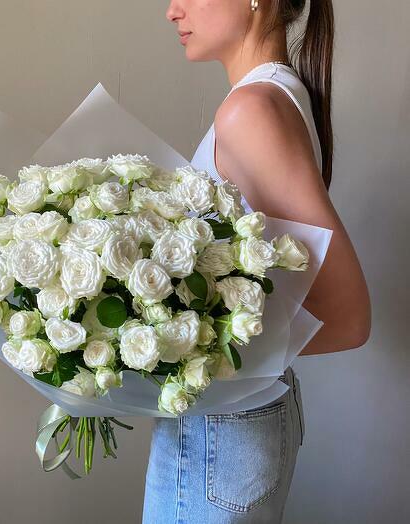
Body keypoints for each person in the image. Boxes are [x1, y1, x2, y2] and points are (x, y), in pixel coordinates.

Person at [142, 1, 372, 523]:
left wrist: (171, 347)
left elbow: (348, 319)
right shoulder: (273, 96)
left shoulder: (250, 110)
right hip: (236, 420)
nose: (172, 10)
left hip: (225, 427)